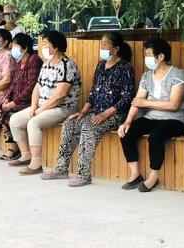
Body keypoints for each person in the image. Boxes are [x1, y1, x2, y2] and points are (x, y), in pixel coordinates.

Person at [42, 32, 134, 187]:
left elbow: (126, 99)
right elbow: (93, 92)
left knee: (89, 127)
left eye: (105, 44)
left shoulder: (126, 68)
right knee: (70, 124)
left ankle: (84, 174)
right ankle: (61, 168)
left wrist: (104, 114)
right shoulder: (101, 65)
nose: (101, 46)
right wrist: (83, 111)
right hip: (96, 112)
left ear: (116, 48)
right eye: (101, 43)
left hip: (116, 114)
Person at [117, 38, 184, 193]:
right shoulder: (146, 76)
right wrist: (127, 121)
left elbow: (173, 105)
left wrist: (146, 103)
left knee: (156, 136)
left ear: (161, 56)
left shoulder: (178, 74)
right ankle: (135, 174)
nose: (146, 58)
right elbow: (137, 101)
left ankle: (154, 176)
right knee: (127, 132)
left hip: (176, 119)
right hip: (151, 117)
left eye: (149, 55)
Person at [9, 30, 82, 174]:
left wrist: (40, 110)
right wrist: (33, 106)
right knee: (15, 120)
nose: (43, 47)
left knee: (33, 123)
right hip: (43, 106)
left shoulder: (67, 65)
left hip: (63, 108)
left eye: (46, 44)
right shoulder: (47, 63)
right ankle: (26, 155)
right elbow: (37, 87)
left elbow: (60, 95)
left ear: (56, 46)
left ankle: (36, 163)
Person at [0, 32, 42, 160]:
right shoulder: (19, 62)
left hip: (27, 102)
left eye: (16, 46)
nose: (13, 48)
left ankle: (14, 149)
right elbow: (13, 84)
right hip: (15, 101)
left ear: (25, 48)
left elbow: (31, 87)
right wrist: (8, 99)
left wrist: (14, 102)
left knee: (6, 116)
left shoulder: (34, 60)